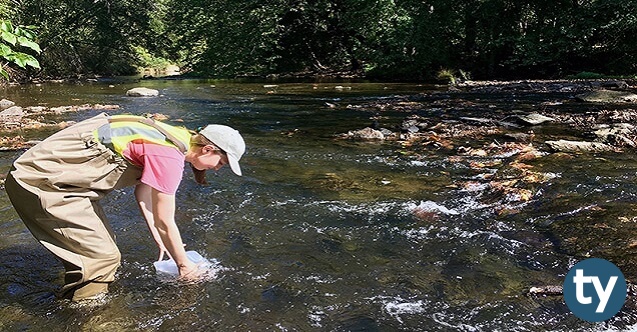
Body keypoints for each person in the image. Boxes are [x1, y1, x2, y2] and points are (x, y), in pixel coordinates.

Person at [4, 112, 245, 302]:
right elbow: (166, 220)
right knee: (104, 258)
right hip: (44, 184)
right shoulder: (169, 156)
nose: (217, 168)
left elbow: (143, 190)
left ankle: (80, 290)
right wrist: (185, 266)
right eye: (221, 162)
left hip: (54, 180)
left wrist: (159, 237)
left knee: (100, 249)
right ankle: (84, 314)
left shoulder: (172, 136)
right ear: (208, 149)